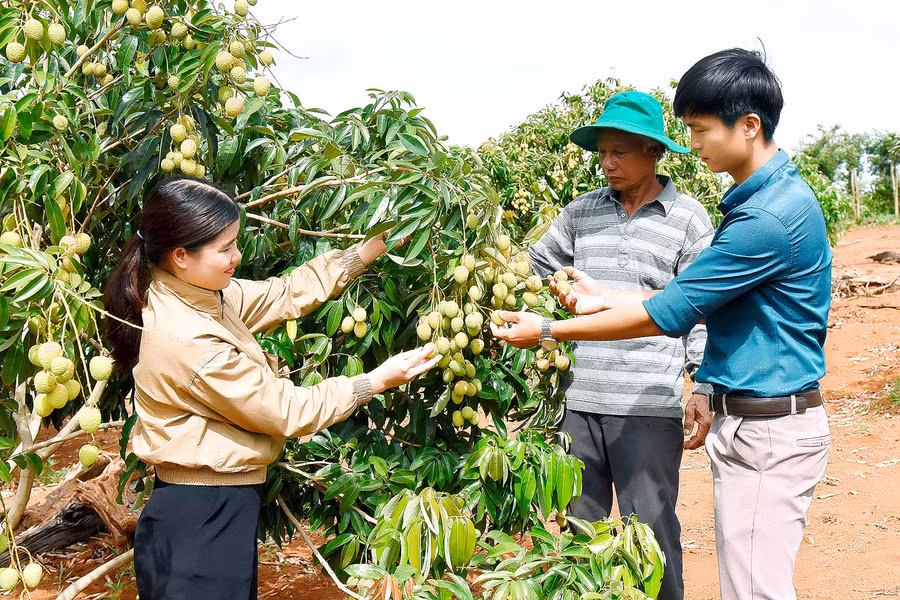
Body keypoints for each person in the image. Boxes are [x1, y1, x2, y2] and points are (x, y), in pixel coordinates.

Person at [492, 48, 831, 600]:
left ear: (748, 126)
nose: (693, 144)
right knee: (589, 534)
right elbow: (687, 298)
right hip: (729, 421)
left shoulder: (761, 218)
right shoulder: (758, 202)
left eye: (698, 129)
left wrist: (549, 330)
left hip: (750, 425)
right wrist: (603, 295)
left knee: (729, 576)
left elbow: (675, 312)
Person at [104, 176, 439, 600]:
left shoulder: (199, 294)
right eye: (224, 248)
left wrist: (372, 248)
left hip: (214, 509)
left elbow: (285, 293)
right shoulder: (189, 339)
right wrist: (374, 381)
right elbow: (287, 411)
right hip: (200, 520)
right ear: (181, 255)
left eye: (235, 243)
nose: (236, 257)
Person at [527, 90, 713, 600]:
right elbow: (537, 266)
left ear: (653, 152)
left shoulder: (688, 219)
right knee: (576, 537)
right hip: (580, 404)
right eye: (602, 152)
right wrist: (559, 293)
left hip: (647, 406)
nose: (606, 163)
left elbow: (701, 310)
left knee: (650, 535)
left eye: (619, 152)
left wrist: (703, 385)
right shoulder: (581, 213)